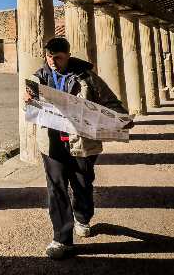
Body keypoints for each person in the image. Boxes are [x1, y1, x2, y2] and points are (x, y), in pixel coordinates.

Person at [23, 37, 131, 260]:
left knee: (82, 184)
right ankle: (62, 240)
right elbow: (29, 104)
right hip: (51, 143)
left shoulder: (88, 77)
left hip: (82, 143)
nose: (52, 61)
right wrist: (28, 99)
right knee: (56, 189)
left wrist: (121, 119)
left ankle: (82, 217)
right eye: (49, 56)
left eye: (58, 57)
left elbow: (113, 104)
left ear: (68, 55)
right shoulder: (38, 77)